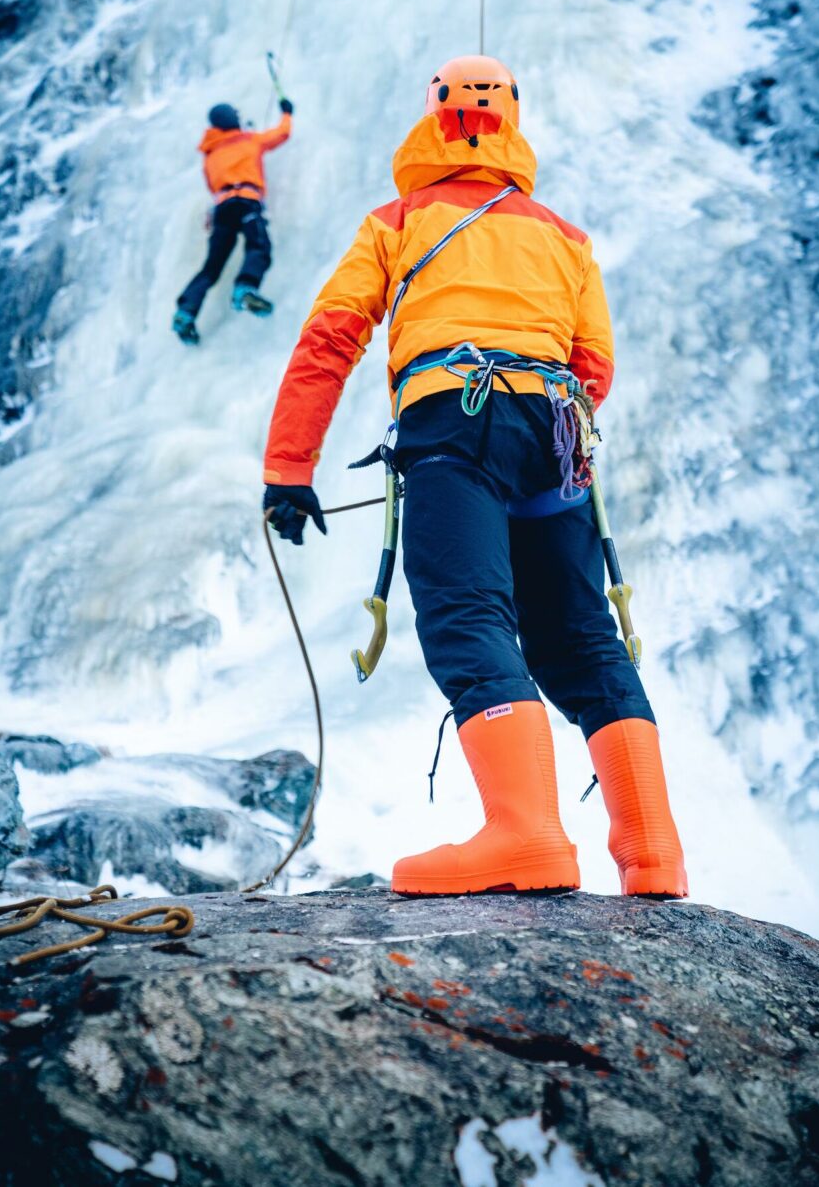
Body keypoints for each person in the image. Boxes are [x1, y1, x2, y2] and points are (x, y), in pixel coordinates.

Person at [261, 55, 688, 899]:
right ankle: (652, 855)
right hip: (554, 428)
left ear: (436, 118)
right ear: (510, 126)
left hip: (453, 420)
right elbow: (594, 362)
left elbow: (330, 340)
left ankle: (525, 836)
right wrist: (545, 426)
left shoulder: (398, 220)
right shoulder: (564, 236)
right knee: (577, 634)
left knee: (466, 612)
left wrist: (289, 468)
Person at [173, 98, 293, 344]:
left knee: (212, 267)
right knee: (259, 246)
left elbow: (211, 185)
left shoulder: (210, 154)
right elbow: (282, 134)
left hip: (222, 208)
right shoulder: (249, 139)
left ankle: (185, 311)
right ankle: (245, 289)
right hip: (246, 201)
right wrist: (287, 113)